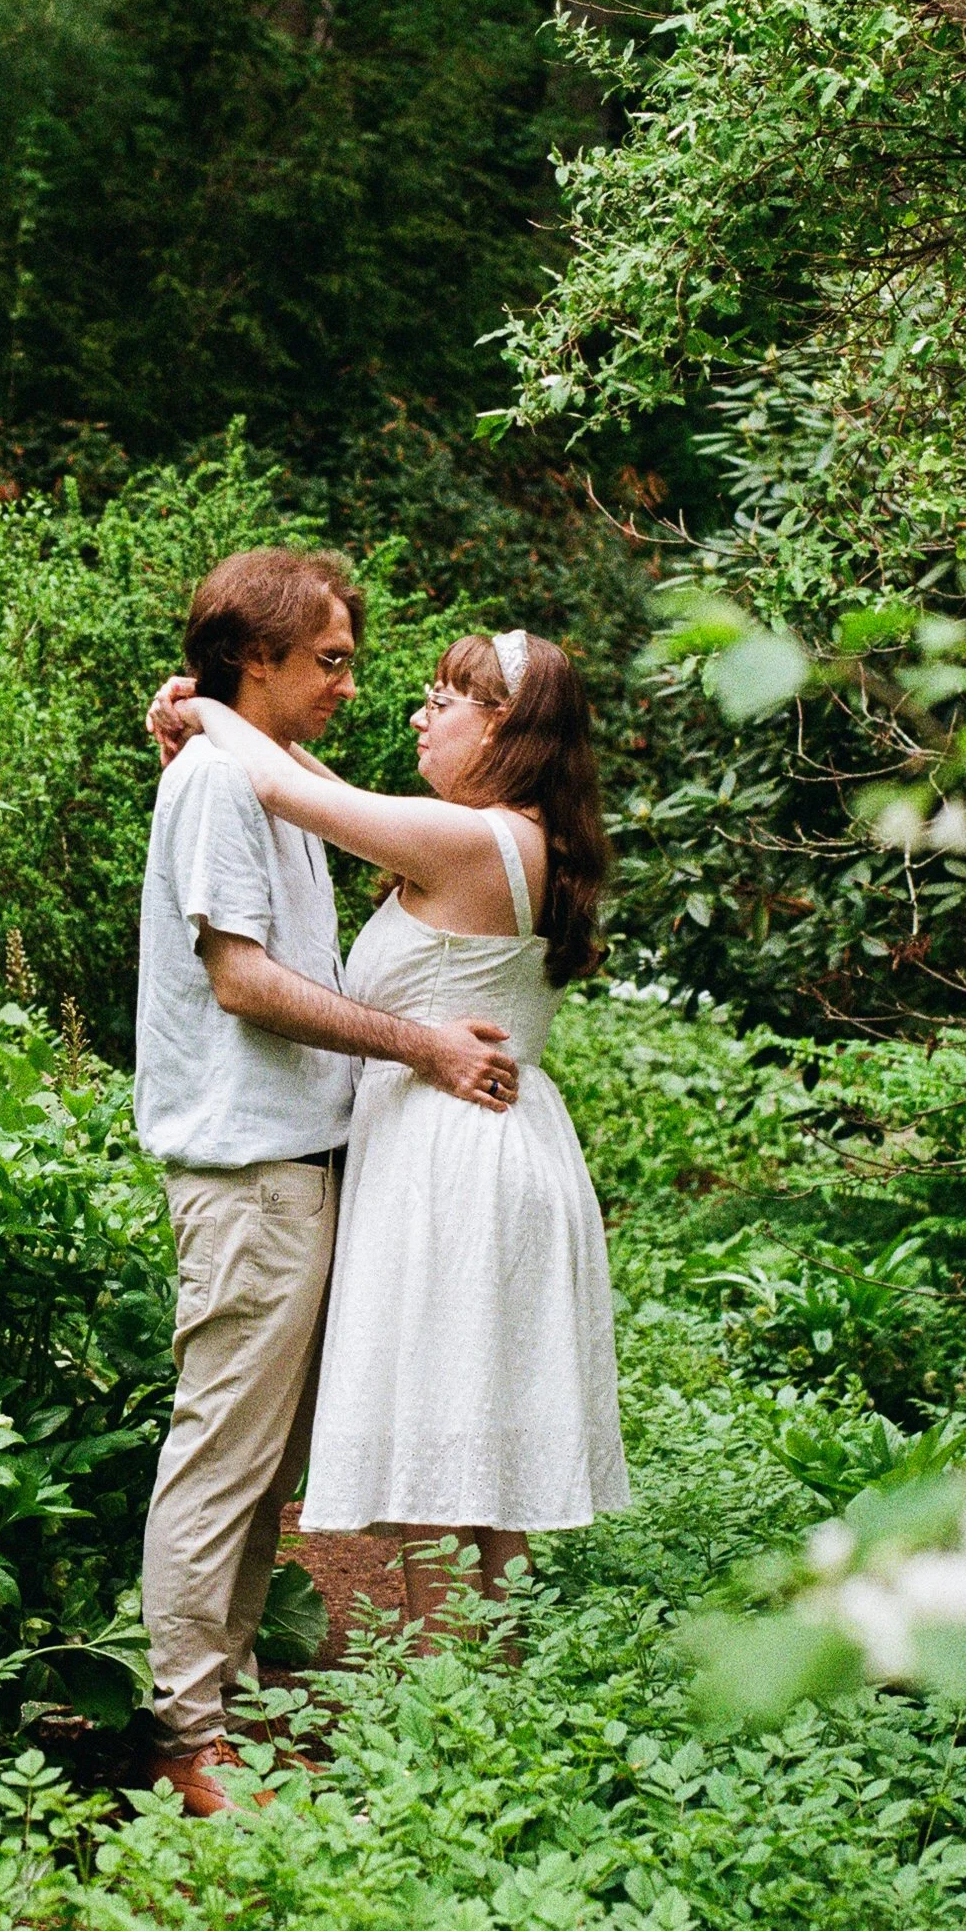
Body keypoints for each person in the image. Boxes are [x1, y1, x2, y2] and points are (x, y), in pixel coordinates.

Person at [135, 549, 523, 1817]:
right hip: (246, 1171)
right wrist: (419, 1042)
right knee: (222, 1455)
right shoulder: (215, 785)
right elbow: (242, 981)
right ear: (259, 660)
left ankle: (221, 1704)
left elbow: (318, 810)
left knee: (260, 1466)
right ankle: (191, 1738)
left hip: (300, 1169)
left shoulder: (257, 778)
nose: (350, 684)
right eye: (331, 662)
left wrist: (187, 713)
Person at [151, 623, 627, 1647]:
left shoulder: (474, 840)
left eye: (444, 700)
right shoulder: (497, 833)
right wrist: (223, 719)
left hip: (456, 1164)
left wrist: (204, 709)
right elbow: (316, 786)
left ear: (502, 729)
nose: (418, 714)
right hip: (480, 1149)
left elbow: (294, 796)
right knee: (470, 1471)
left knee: (438, 1462)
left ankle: (448, 1724)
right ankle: (493, 1713)